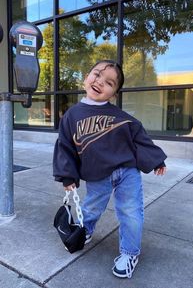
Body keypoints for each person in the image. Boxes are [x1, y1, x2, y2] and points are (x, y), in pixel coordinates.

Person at [53, 59, 167, 278]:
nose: (100, 82)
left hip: (127, 172)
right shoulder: (71, 116)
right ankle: (85, 231)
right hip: (97, 174)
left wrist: (155, 160)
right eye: (96, 74)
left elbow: (139, 138)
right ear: (87, 76)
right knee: (91, 208)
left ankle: (129, 252)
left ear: (113, 94)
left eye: (109, 82)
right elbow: (65, 147)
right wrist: (67, 176)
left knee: (130, 212)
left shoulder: (121, 117)